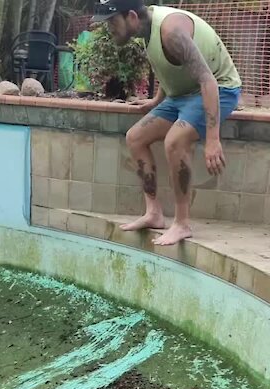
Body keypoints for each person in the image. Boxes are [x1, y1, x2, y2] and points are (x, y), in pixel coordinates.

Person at [92, 0, 242, 246]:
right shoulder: (146, 31)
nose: (109, 28)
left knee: (175, 140)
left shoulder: (171, 31)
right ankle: (154, 213)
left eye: (112, 21)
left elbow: (208, 82)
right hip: (181, 96)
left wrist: (212, 139)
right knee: (135, 137)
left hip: (220, 89)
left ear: (130, 16)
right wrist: (156, 102)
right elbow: (171, 67)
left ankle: (182, 224)